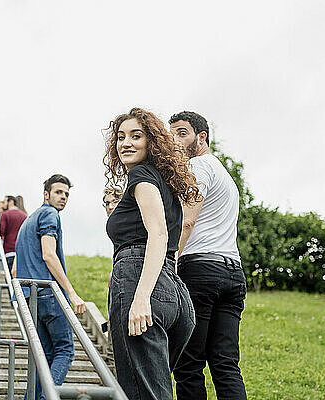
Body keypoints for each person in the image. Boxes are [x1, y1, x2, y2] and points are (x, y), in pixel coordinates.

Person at [104, 107, 199, 400]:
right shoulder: (164, 183)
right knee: (156, 391)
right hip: (173, 291)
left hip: (141, 280)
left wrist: (141, 296)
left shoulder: (142, 176)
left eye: (136, 136)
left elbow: (158, 233)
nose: (126, 143)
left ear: (152, 142)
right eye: (120, 137)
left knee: (142, 393)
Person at [170, 111, 247, 400]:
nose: (174, 141)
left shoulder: (198, 166)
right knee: (225, 364)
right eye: (172, 134)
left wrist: (169, 261)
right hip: (233, 275)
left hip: (201, 270)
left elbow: (188, 220)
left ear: (201, 137)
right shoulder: (226, 177)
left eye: (182, 133)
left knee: (188, 364)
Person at [15, 174, 86, 400]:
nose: (63, 197)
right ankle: (48, 397)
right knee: (65, 350)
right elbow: (48, 254)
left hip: (30, 297)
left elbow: (16, 269)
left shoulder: (27, 221)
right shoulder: (49, 214)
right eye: (58, 192)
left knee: (43, 355)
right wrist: (72, 294)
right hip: (48, 294)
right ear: (46, 194)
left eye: (66, 194)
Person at [0, 195, 27, 272]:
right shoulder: (24, 216)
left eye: (5, 202)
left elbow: (1, 231)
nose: (4, 204)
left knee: (9, 277)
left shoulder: (5, 215)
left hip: (9, 251)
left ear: (11, 202)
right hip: (21, 252)